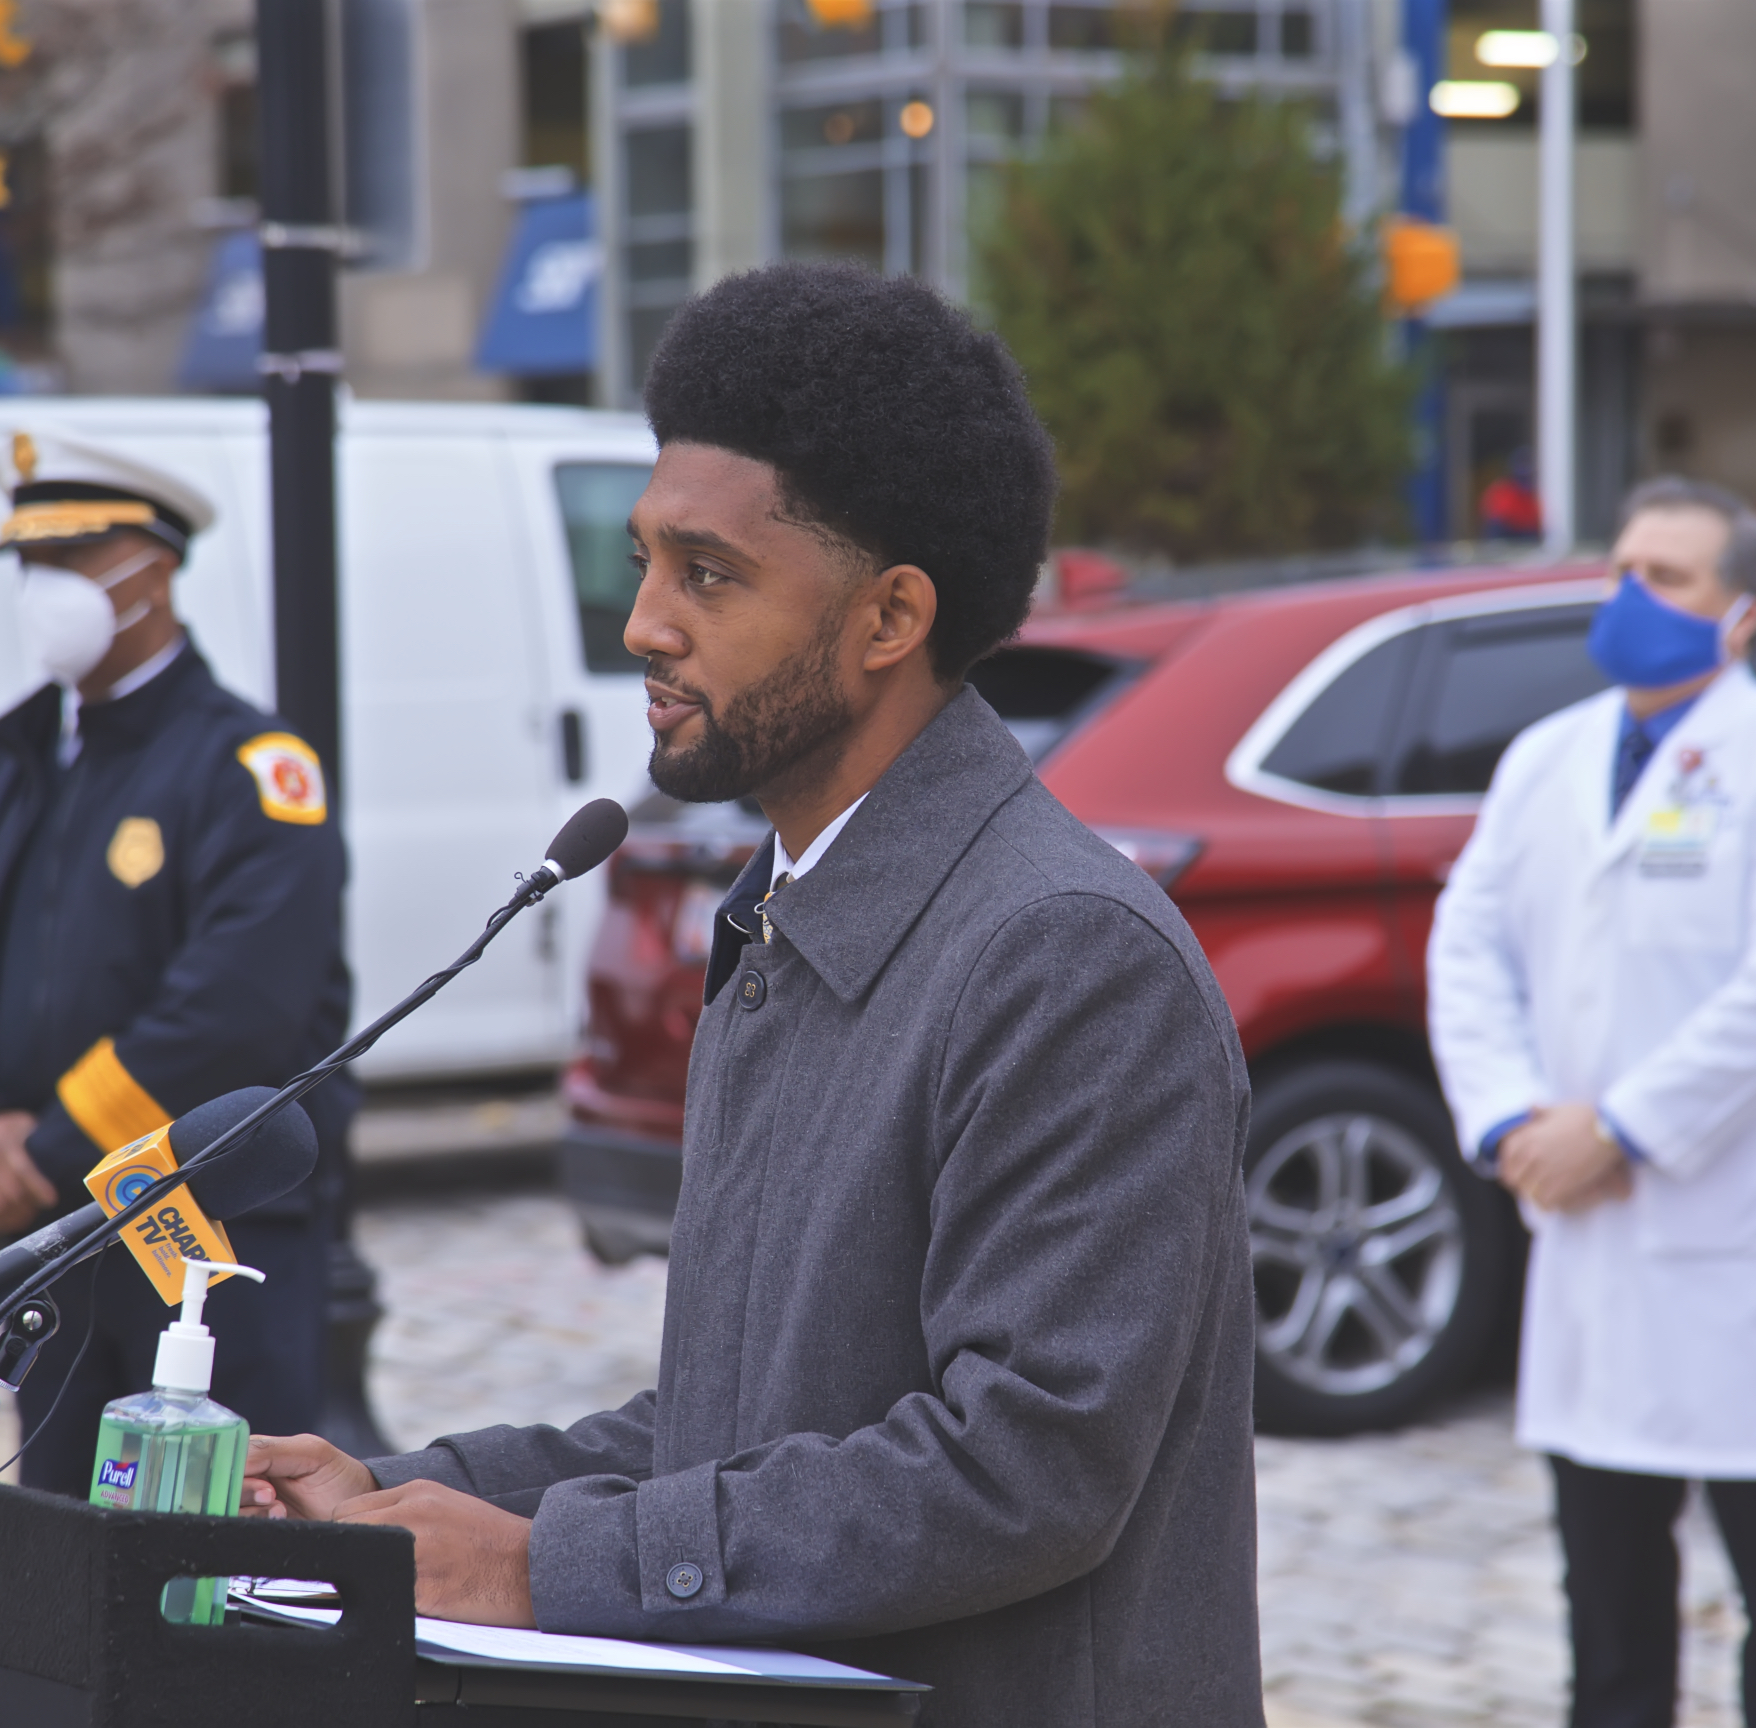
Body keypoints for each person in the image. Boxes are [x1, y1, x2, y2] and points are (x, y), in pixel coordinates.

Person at [242, 262, 1262, 1726]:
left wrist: (540, 1569)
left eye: (708, 575)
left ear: (889, 616)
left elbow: (1023, 1471)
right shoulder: (785, 911)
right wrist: (398, 1497)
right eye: (647, 561)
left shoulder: (1066, 956)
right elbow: (730, 1427)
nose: (644, 624)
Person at [1428, 476, 1756, 1728]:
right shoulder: (1547, 759)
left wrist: (1619, 1127)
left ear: (1743, 614)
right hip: (1587, 1231)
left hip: (1743, 1231)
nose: (1632, 597)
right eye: (1623, 569)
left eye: (1669, 578)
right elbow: (1468, 946)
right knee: (1608, 1584)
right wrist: (1511, 1118)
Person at [0, 430, 355, 1494]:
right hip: (58, 1246)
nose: (44, 587)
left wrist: (44, 1150)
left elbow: (237, 1009)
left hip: (206, 1241)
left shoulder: (248, 768)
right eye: (30, 562)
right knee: (55, 1534)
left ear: (155, 572)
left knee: (224, 1536)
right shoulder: (1, 767)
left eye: (73, 558)